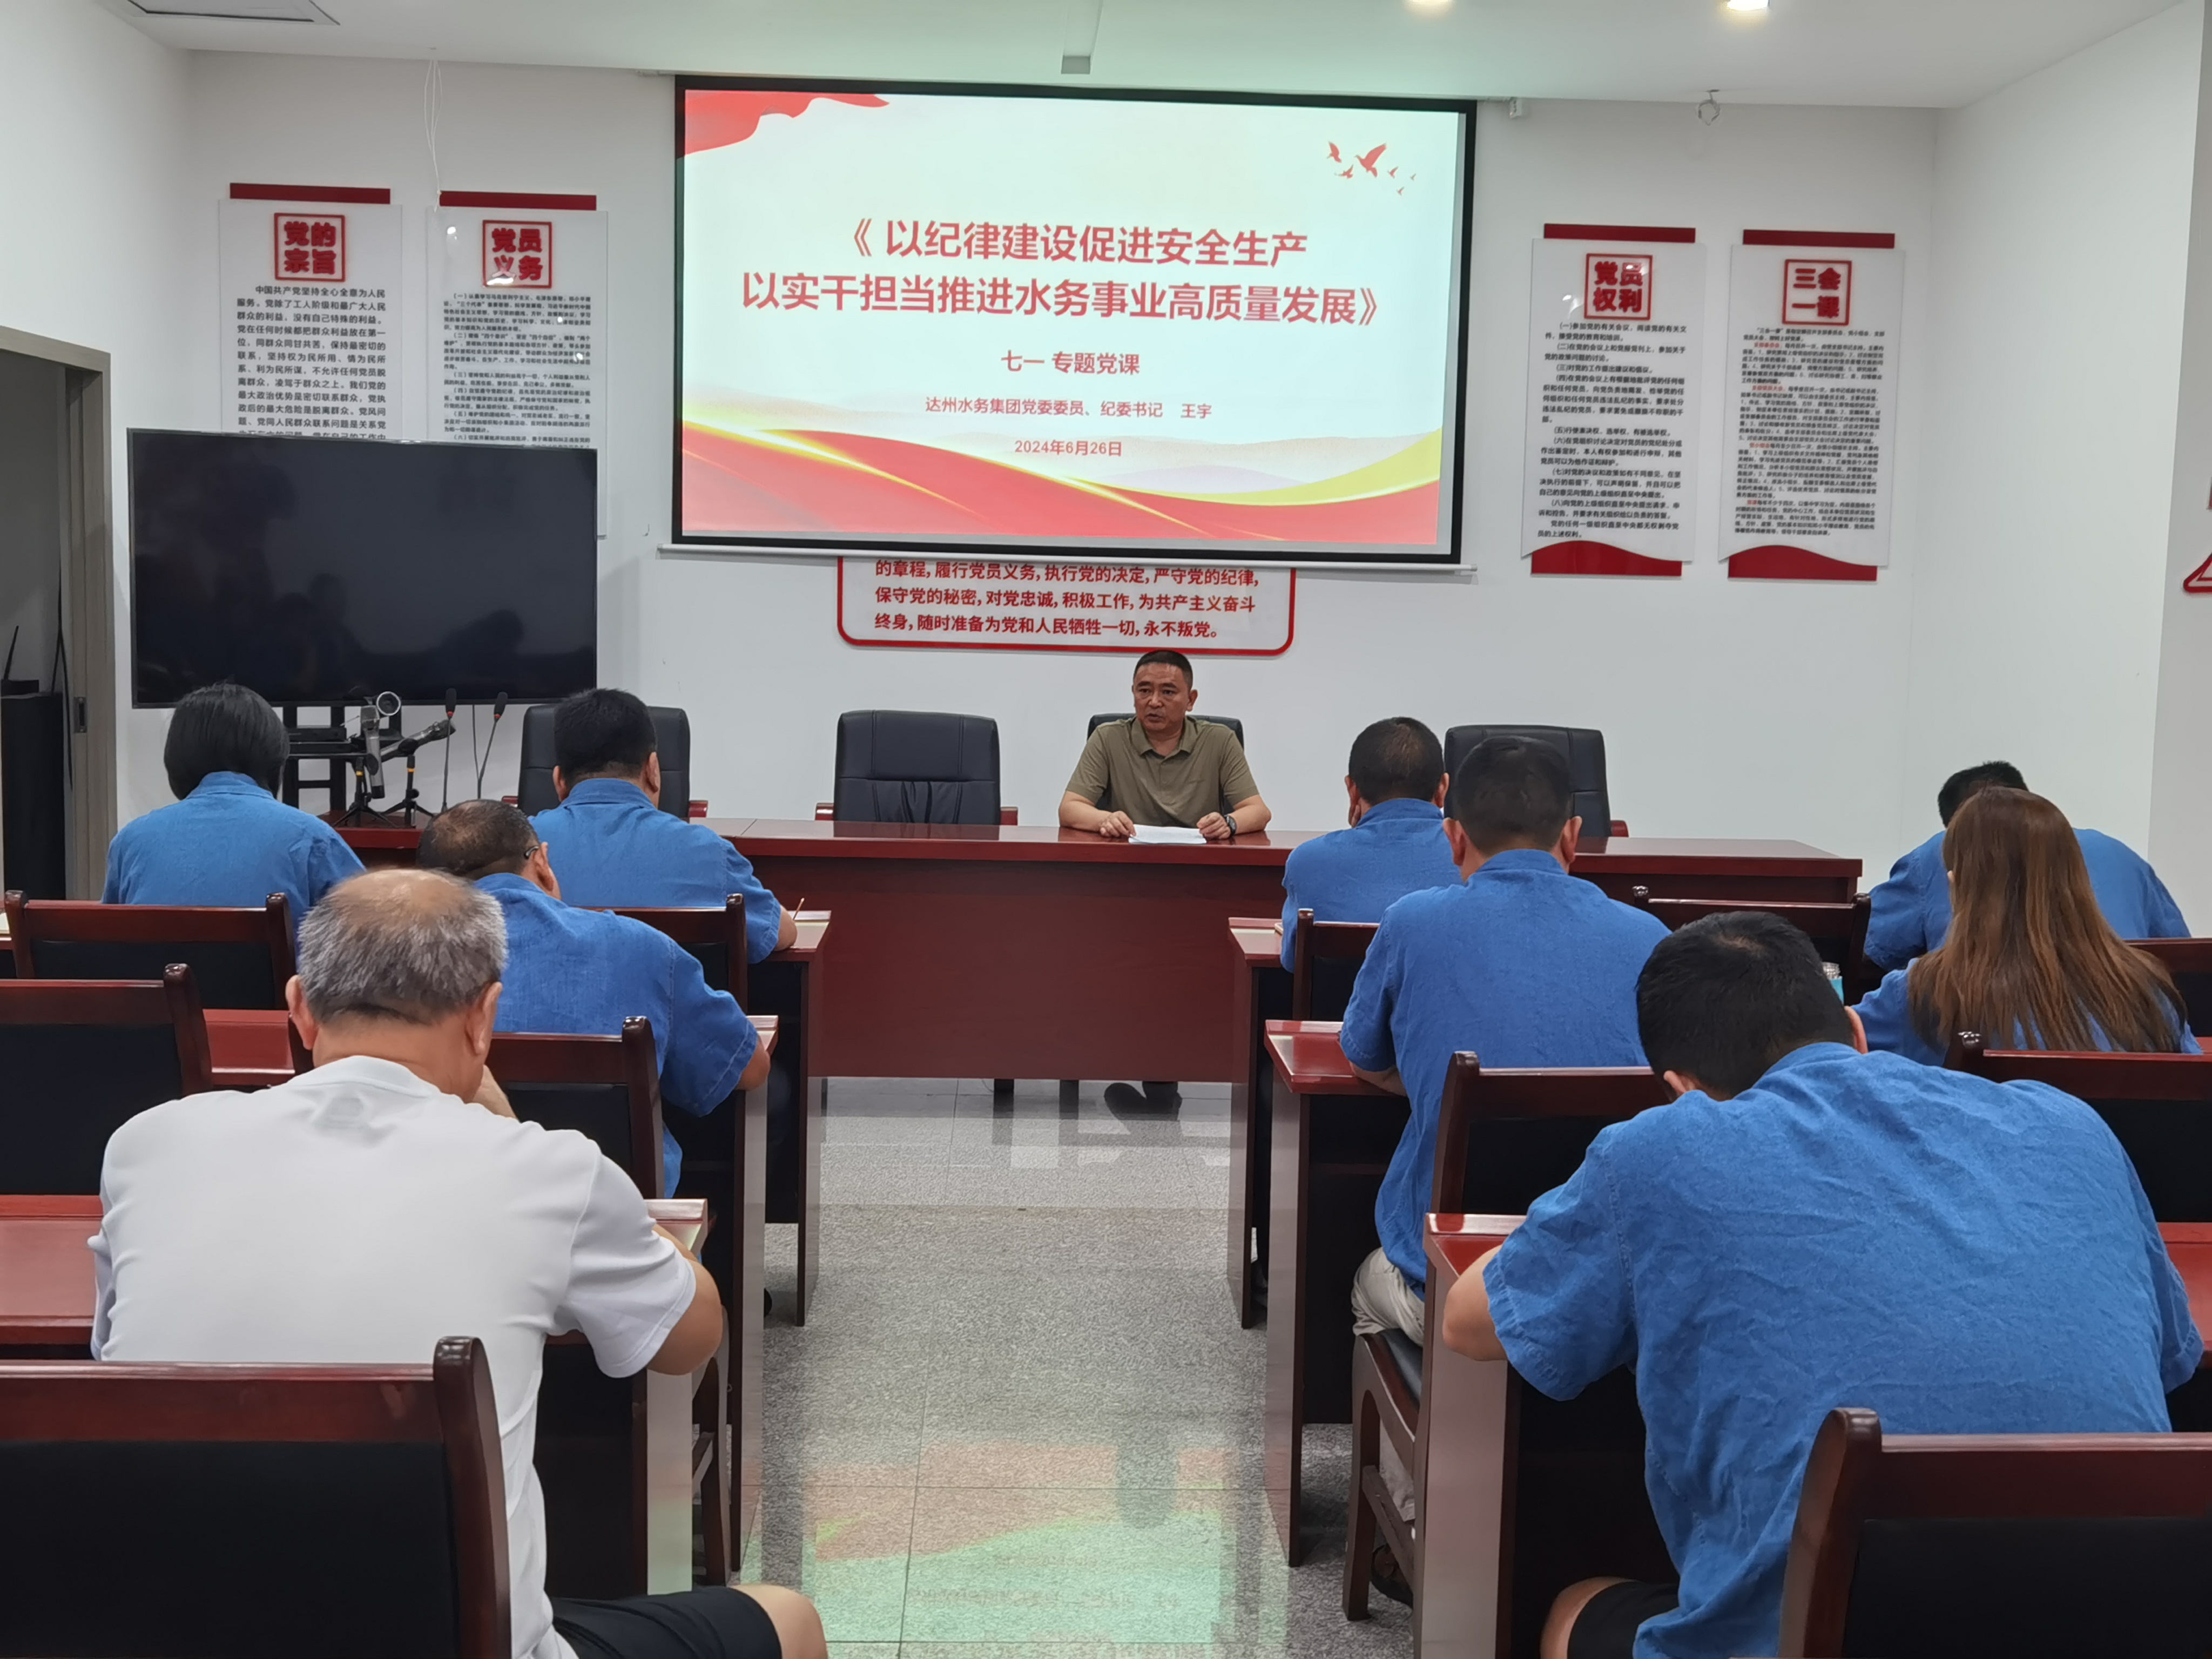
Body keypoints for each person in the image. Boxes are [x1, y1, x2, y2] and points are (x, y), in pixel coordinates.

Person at [90, 868, 825, 1659]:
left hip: (169, 1633)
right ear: (484, 1018)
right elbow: (690, 1340)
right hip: (458, 1639)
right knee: (788, 1619)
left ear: (298, 1008)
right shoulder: (549, 1171)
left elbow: (111, 1358)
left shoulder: (147, 1145)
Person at [1441, 911, 2200, 1659]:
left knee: (1574, 1609)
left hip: (1828, 1632)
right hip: (2136, 1624)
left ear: (1681, 1088)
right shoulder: (2070, 1124)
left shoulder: (1661, 1150)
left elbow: (1467, 1324)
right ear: (1856, 1032)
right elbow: (2172, 1361)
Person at [1340, 734, 1667, 1348]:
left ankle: (1419, 1400)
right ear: (1572, 836)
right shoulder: (1650, 936)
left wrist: (1436, 1085)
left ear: (1453, 837)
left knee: (1366, 1283)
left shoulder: (1410, 922)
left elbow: (1364, 1060)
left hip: (1451, 1277)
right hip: (1608, 1282)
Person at [419, 800, 770, 1198]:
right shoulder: (638, 946)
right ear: (542, 863)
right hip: (621, 1216)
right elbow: (749, 1071)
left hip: (450, 1208)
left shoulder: (394, 973)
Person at [1061, 648, 1273, 1114]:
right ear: (1133, 695)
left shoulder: (1218, 741)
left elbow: (1258, 811)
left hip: (1199, 890)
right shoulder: (1110, 738)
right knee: (1119, 964)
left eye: (1167, 692)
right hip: (1124, 891)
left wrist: (1229, 824)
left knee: (1182, 968)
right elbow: (1071, 807)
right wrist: (1103, 820)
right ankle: (1142, 1069)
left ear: (1191, 699)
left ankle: (1166, 1077)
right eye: (1144, 690)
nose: (1154, 701)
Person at [1855, 786, 2198, 1066]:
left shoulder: (1926, 992)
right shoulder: (2150, 993)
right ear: (2078, 880)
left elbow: (1830, 1050)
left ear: (1956, 886)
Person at [528, 689, 794, 961]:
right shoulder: (706, 851)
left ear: (559, 781)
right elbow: (780, 934)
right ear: (653, 770)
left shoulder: (518, 849)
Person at [1866, 760, 2186, 970]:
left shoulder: (1933, 856)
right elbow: (2184, 959)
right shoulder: (2118, 854)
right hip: (2127, 1030)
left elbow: (1864, 948)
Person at [102, 682, 363, 935]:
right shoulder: (312, 839)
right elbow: (370, 938)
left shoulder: (130, 842)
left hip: (161, 968)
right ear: (274, 760)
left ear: (177, 761)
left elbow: (110, 943)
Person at [1277, 716, 1461, 969]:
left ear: (1352, 790)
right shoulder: (1474, 858)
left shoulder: (1307, 861)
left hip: (1339, 998)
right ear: (1443, 789)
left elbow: (1292, 961)